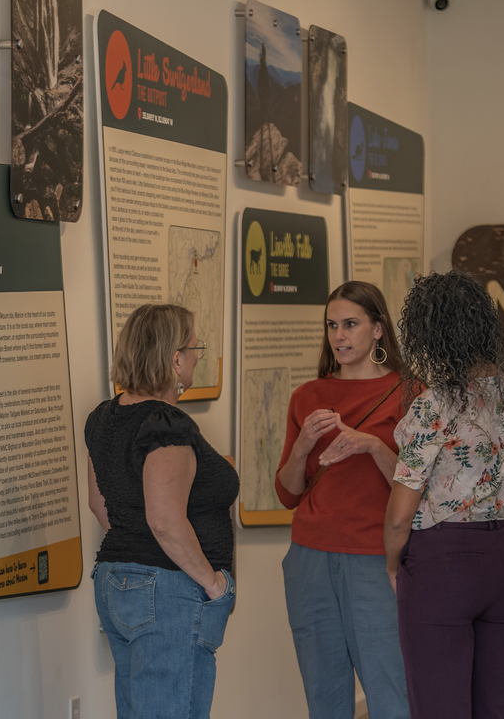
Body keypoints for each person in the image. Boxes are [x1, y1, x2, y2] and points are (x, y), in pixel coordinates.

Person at [383, 269, 504, 719]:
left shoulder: (435, 405)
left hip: (442, 564)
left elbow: (398, 514)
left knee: (439, 707)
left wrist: (393, 564)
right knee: (494, 706)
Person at [85, 304, 238, 719]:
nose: (197, 357)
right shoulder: (166, 424)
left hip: (116, 581)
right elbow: (165, 521)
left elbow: (99, 503)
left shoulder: (103, 417)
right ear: (175, 359)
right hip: (168, 592)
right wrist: (212, 584)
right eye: (195, 348)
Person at [275, 281, 411, 719]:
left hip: (376, 556)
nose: (339, 335)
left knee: (390, 690)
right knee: (324, 694)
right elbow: (287, 494)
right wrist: (303, 445)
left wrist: (372, 445)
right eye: (332, 325)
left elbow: (418, 491)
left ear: (378, 329)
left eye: (350, 324)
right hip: (309, 558)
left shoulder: (411, 394)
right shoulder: (307, 396)